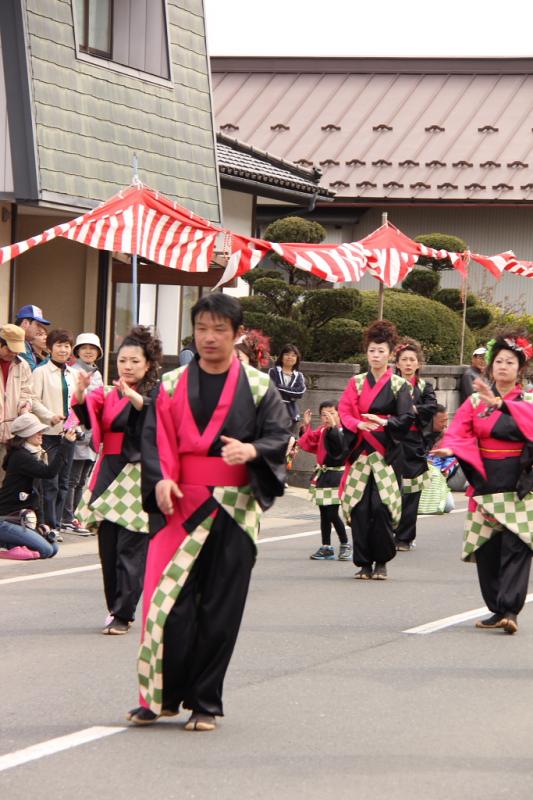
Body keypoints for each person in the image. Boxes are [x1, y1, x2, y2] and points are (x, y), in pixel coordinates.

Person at [127, 293, 290, 731]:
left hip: (235, 509)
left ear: (238, 335)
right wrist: (161, 477)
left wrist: (252, 450)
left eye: (220, 329)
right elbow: (154, 437)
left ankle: (205, 702)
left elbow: (279, 434)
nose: (209, 337)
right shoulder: (171, 383)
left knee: (221, 608)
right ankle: (160, 697)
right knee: (166, 602)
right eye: (202, 328)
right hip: (180, 503)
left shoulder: (259, 386)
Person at [431, 331, 533, 634]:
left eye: (510, 362)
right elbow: (459, 430)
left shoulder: (528, 400)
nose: (503, 366)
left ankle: (510, 610)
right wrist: (451, 447)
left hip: (519, 481)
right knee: (487, 547)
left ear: (520, 369)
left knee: (517, 545)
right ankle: (497, 609)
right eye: (499, 361)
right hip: (485, 476)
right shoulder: (475, 401)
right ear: (490, 366)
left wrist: (502, 405)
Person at [73, 325, 163, 635]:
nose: (127, 366)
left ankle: (124, 613)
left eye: (135, 361)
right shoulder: (109, 393)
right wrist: (81, 391)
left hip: (138, 474)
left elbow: (155, 418)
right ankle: (115, 608)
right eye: (123, 360)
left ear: (148, 364)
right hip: (109, 470)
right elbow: (88, 415)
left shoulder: (156, 394)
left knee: (131, 547)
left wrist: (135, 398)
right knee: (108, 547)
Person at [338, 320, 415, 580]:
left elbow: (406, 418)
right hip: (361, 452)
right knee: (360, 508)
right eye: (372, 350)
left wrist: (385, 422)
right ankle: (363, 563)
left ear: (390, 354)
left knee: (382, 507)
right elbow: (344, 411)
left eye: (381, 351)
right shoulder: (356, 382)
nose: (376, 355)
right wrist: (358, 423)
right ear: (366, 353)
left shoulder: (399, 385)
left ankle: (381, 561)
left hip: (386, 453)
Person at [0, 413, 75, 559]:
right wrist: (66, 444)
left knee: (53, 548)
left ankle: (15, 546)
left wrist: (41, 523)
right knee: (45, 550)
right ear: (25, 434)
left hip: (19, 520)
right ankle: (7, 551)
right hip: (4, 520)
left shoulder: (30, 455)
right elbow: (49, 472)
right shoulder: (21, 457)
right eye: (37, 431)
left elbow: (37, 494)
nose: (41, 434)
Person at [31, 329, 76, 537]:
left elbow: (79, 402)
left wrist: (77, 424)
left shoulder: (73, 374)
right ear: (50, 348)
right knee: (50, 482)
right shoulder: (40, 372)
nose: (63, 349)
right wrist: (50, 416)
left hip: (69, 434)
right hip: (48, 433)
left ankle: (57, 524)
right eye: (59, 345)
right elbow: (33, 400)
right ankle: (48, 525)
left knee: (64, 482)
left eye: (66, 346)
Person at [393, 338, 437, 550]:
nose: (408, 363)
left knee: (412, 491)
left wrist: (411, 410)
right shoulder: (389, 384)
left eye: (412, 359)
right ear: (397, 363)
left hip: (414, 443)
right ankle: (387, 531)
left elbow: (431, 407)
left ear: (419, 363)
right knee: (389, 488)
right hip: (392, 441)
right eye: (404, 359)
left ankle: (405, 537)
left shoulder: (424, 386)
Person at [61, 333, 104, 534]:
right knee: (72, 478)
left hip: (93, 433)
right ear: (77, 351)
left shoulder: (96, 373)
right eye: (84, 348)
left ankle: (75, 517)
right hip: (78, 431)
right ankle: (67, 518)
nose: (88, 351)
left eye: (92, 348)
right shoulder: (73, 371)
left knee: (82, 480)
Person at [298, 402, 351, 561]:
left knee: (332, 513)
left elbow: (340, 446)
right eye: (323, 414)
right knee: (324, 513)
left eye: (331, 413)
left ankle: (345, 544)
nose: (327, 417)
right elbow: (309, 441)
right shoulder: (322, 430)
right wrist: (306, 426)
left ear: (339, 414)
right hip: (323, 474)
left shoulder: (343, 431)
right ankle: (326, 546)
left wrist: (333, 427)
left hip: (337, 475)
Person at [0, 324, 33, 485]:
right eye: (10, 349)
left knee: (6, 481)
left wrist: (25, 407)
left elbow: (27, 392)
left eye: (17, 350)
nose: (13, 353)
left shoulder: (23, 365)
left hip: (12, 434)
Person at [268, 344, 306, 430]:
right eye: (287, 354)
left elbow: (300, 392)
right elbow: (272, 388)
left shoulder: (299, 375)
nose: (290, 357)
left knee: (290, 437)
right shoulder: (273, 372)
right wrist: (291, 393)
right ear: (281, 357)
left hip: (291, 414)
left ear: (297, 359)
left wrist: (280, 387)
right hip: (274, 411)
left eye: (293, 355)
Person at [15, 304, 51, 371]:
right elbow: (33, 372)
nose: (39, 328)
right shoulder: (17, 340)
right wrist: (53, 356)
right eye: (37, 324)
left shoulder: (24, 342)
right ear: (25, 323)